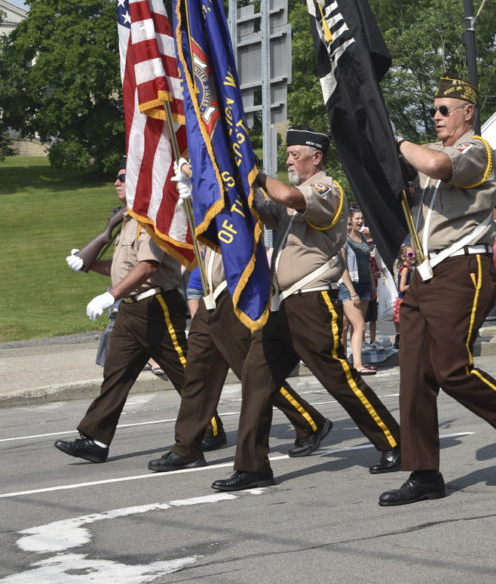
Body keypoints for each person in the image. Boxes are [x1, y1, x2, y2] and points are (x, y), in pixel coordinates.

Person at [382, 75, 496, 506]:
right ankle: (423, 472)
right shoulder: (431, 154)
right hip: (427, 272)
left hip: (463, 269)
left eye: (444, 110)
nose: (436, 116)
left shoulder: (475, 150)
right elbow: (424, 215)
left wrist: (397, 140)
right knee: (415, 377)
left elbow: (440, 169)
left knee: (451, 369)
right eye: (434, 109)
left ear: (467, 113)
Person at [210, 127, 401, 491]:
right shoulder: (296, 196)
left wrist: (255, 172)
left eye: (295, 154)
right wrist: (234, 183)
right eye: (288, 155)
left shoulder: (326, 189)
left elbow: (289, 197)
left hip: (312, 302)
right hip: (280, 307)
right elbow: (266, 208)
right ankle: (252, 466)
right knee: (255, 379)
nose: (288, 160)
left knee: (339, 380)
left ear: (316, 157)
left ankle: (395, 441)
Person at [57, 163, 225, 463]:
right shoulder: (128, 220)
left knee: (184, 370)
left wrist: (111, 295)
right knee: (116, 375)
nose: (116, 183)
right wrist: (90, 263)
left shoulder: (153, 220)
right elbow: (122, 268)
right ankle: (95, 439)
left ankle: (211, 429)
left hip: (156, 304)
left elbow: (148, 267)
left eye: (122, 178)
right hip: (131, 309)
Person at [148, 246, 333, 471]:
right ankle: (186, 448)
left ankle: (309, 422)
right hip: (210, 295)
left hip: (232, 292)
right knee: (197, 376)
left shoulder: (231, 211)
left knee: (253, 372)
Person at [339, 205, 375, 375]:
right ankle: (348, 361)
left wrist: (373, 285)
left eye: (361, 218)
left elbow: (367, 262)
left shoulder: (362, 237)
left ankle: (356, 361)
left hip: (365, 284)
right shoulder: (343, 240)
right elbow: (343, 267)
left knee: (358, 326)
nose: (360, 221)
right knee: (350, 325)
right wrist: (352, 291)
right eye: (357, 219)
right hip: (350, 286)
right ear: (350, 220)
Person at [361, 224, 383, 349]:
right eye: (369, 243)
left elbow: (377, 274)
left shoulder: (373, 259)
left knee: (373, 319)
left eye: (372, 243)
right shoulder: (363, 259)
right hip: (365, 292)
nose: (371, 245)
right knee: (363, 320)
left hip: (373, 293)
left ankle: (373, 340)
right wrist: (373, 276)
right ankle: (363, 340)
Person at [392, 243, 414, 349]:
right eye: (410, 254)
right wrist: (414, 285)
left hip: (404, 299)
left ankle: (400, 339)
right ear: (403, 256)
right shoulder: (405, 269)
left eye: (414, 254)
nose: (413, 256)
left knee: (402, 323)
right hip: (404, 299)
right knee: (405, 323)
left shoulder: (408, 268)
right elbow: (402, 287)